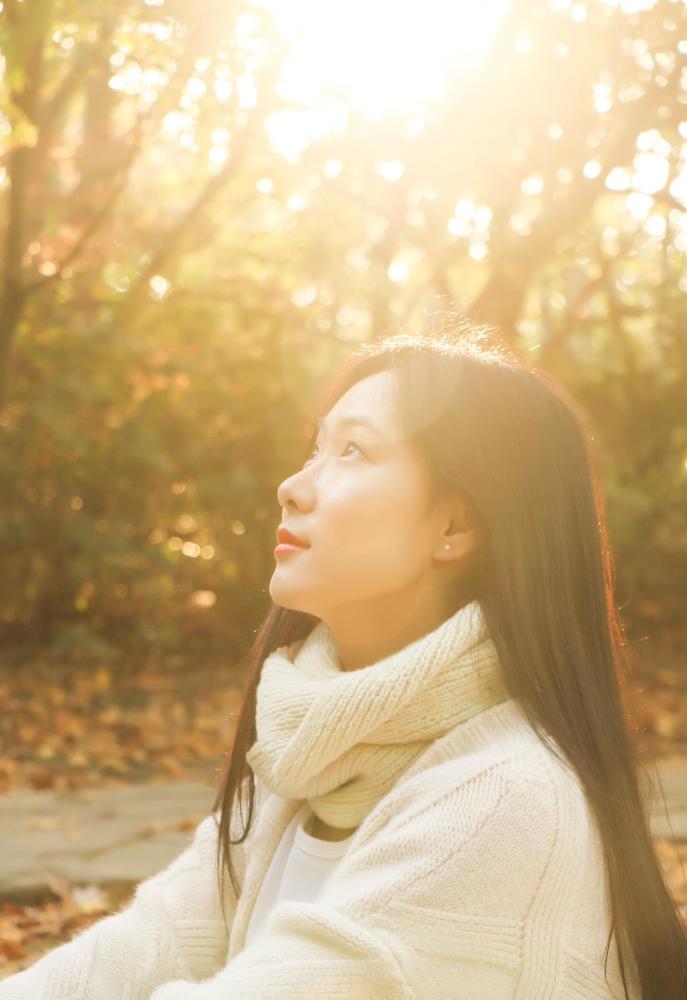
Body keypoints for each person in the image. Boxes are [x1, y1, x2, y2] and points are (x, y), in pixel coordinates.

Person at [2, 325, 685, 999]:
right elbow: (146, 946)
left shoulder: (503, 800)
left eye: (353, 451)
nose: (293, 486)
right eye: (316, 447)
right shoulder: (309, 757)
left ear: (454, 527)